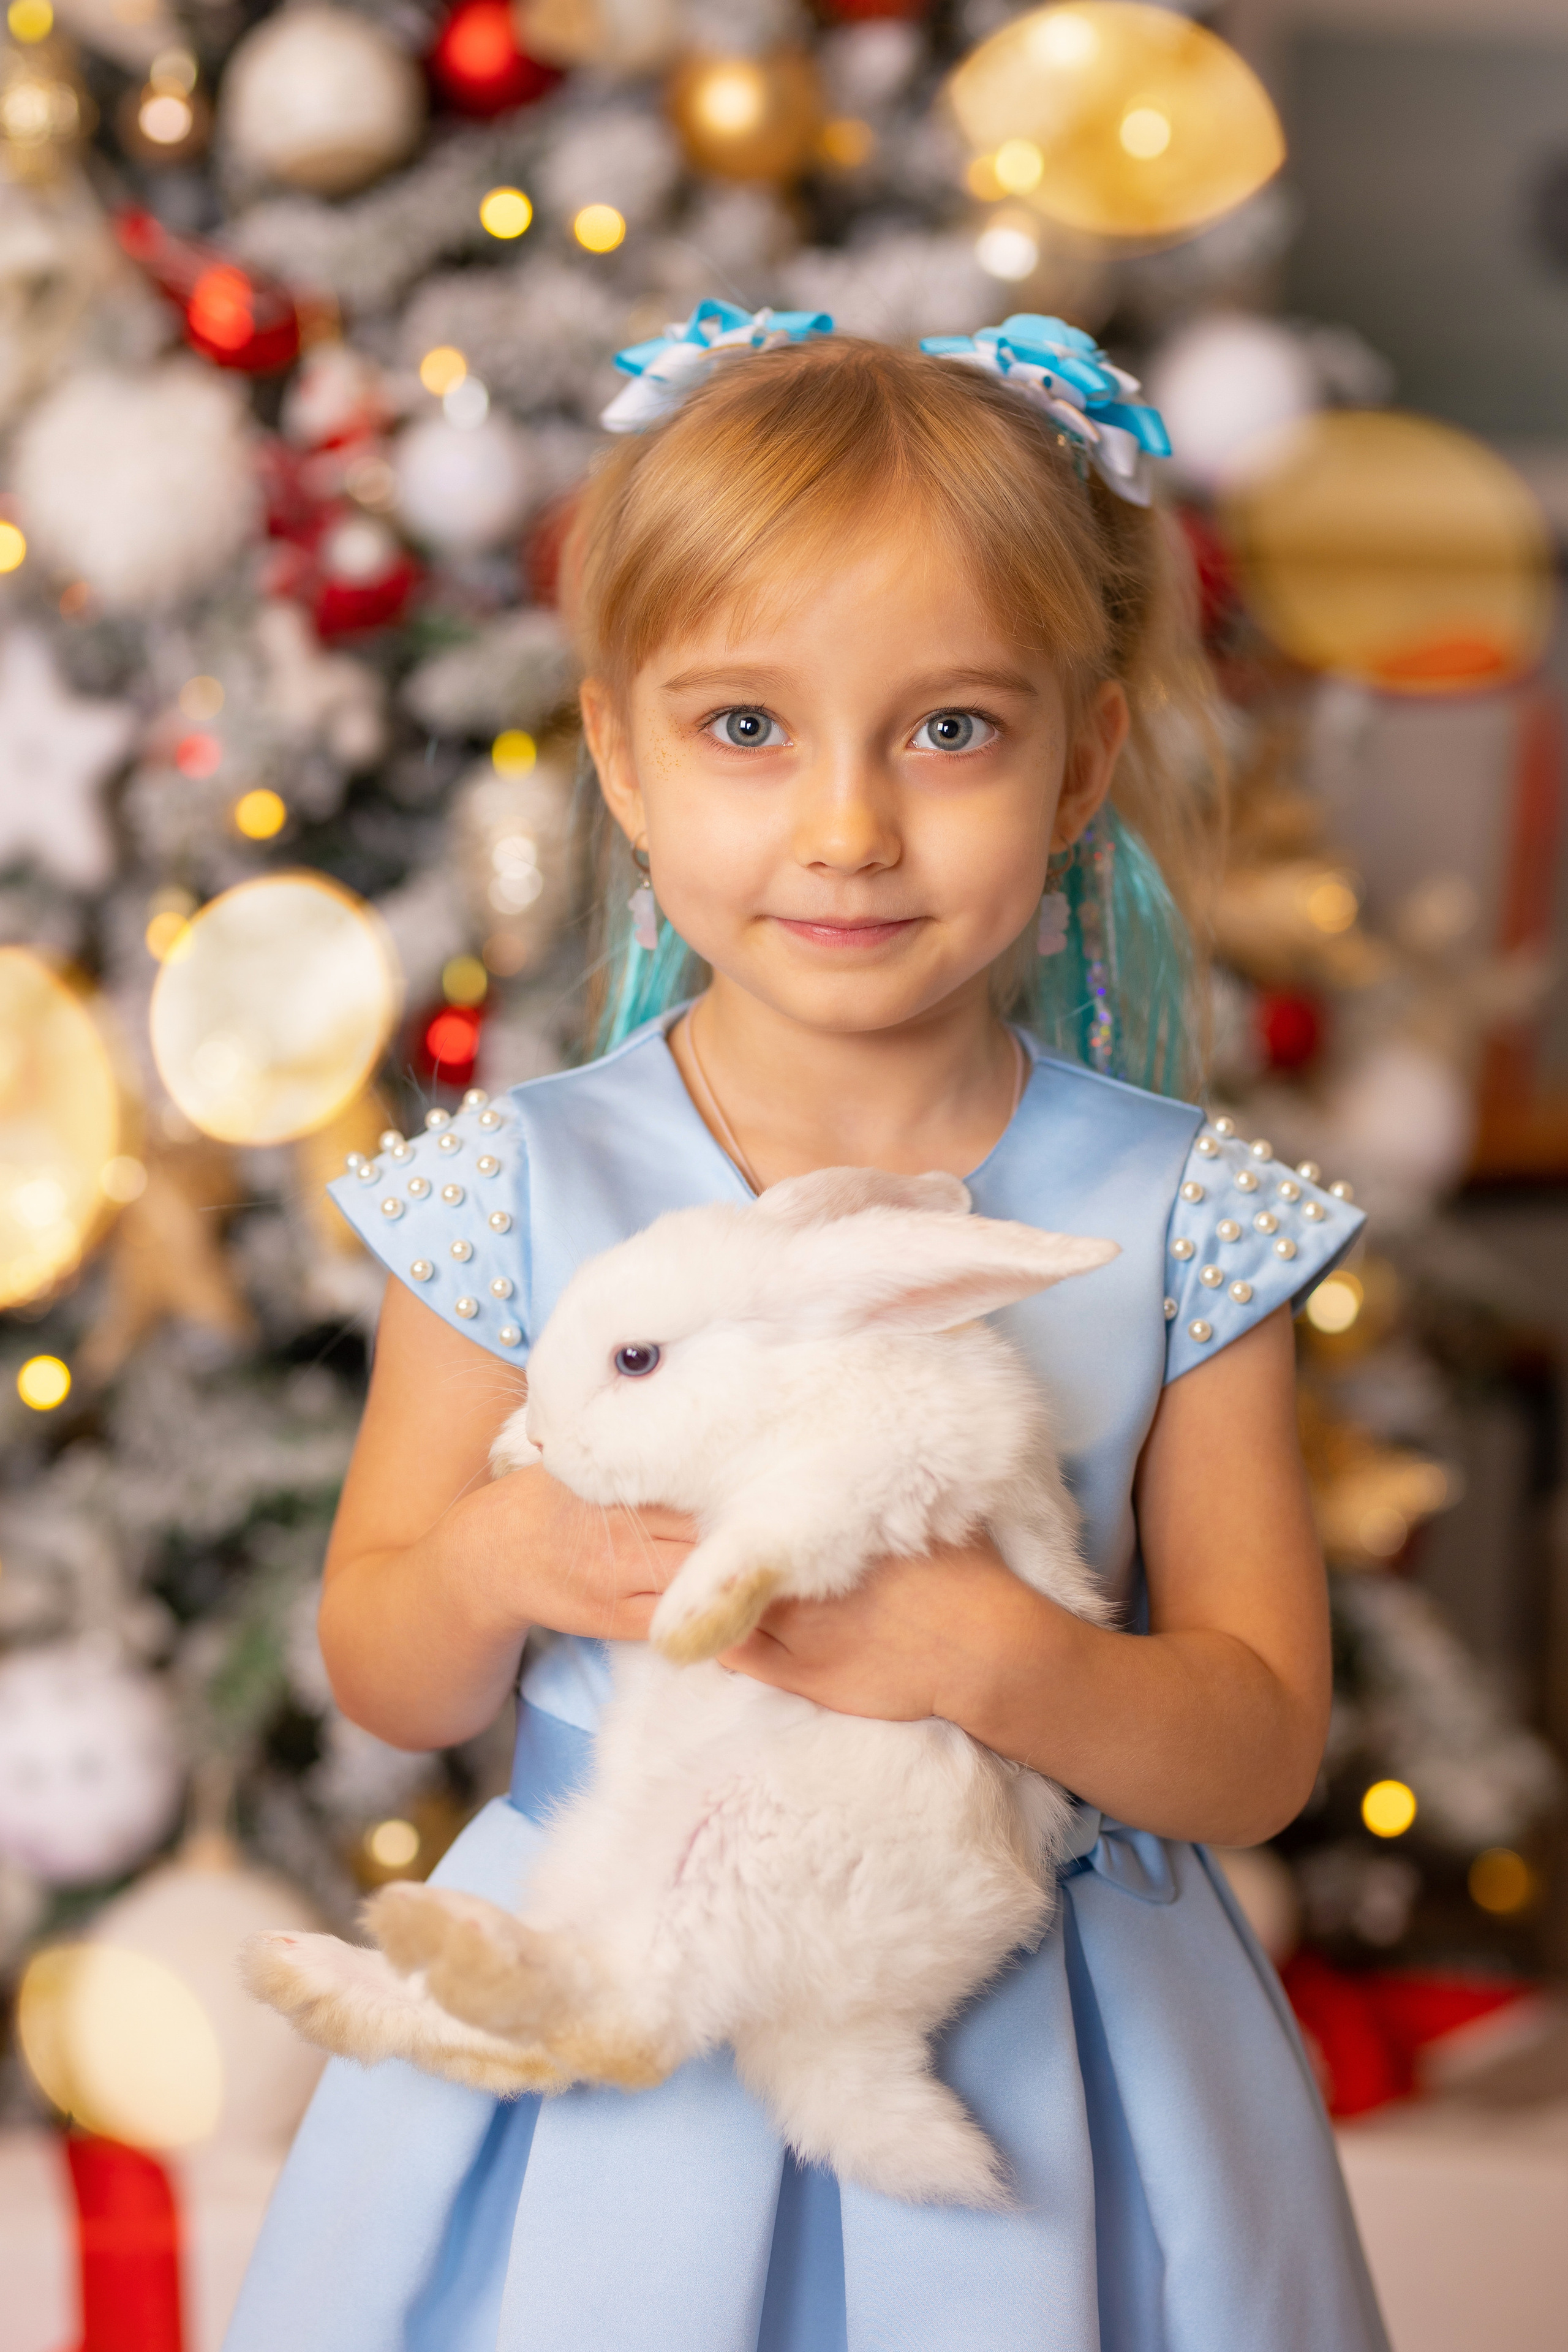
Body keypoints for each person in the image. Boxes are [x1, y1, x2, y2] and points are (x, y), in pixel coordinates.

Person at [227, 311, 1388, 2352]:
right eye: (747, 728)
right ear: (621, 757)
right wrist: (503, 1557)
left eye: (949, 731)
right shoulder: (516, 1194)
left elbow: (1261, 1745)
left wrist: (1009, 1662)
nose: (848, 825)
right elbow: (387, 1669)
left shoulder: (1172, 1216)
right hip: (628, 2044)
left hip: (1054, 2060)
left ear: (1082, 761)